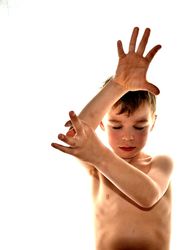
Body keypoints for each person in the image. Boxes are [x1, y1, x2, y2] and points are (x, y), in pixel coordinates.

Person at [51, 27, 173, 250]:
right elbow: (77, 134)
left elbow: (148, 195)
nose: (128, 136)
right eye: (116, 125)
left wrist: (99, 155)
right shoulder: (95, 167)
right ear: (101, 124)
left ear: (153, 122)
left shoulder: (160, 163)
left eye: (140, 126)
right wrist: (117, 85)